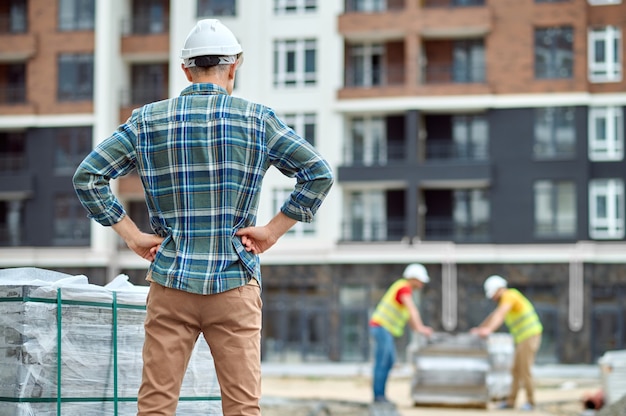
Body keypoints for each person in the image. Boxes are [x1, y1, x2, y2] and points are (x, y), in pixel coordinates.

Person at [73, 18, 333, 416]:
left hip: (171, 280)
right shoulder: (258, 119)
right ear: (234, 67)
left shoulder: (146, 120)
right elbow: (318, 172)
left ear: (185, 70)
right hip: (234, 281)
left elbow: (88, 176)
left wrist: (130, 235)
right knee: (242, 407)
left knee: (156, 405)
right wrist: (273, 230)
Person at [471, 275, 543, 411]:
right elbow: (494, 315)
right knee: (515, 370)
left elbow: (500, 315)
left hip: (530, 336)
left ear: (498, 289)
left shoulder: (510, 295)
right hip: (523, 338)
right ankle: (511, 401)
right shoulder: (505, 300)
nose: (493, 298)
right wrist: (481, 328)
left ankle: (531, 401)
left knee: (524, 370)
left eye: (493, 294)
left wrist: (488, 330)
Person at [369, 263, 434, 404]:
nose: (422, 284)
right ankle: (378, 396)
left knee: (389, 361)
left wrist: (417, 329)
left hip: (385, 329)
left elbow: (409, 315)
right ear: (413, 278)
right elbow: (412, 310)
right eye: (420, 281)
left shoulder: (404, 290)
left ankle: (380, 395)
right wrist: (421, 328)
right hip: (381, 327)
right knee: (383, 361)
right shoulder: (404, 288)